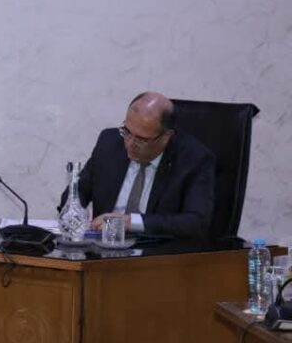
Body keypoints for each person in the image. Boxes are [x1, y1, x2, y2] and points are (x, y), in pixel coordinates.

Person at [63, 91, 215, 238]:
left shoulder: (194, 159)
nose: (130, 144)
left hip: (156, 251)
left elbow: (196, 222)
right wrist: (75, 213)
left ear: (166, 136)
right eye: (126, 132)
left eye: (141, 139)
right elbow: (77, 191)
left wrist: (131, 222)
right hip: (104, 246)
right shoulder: (109, 143)